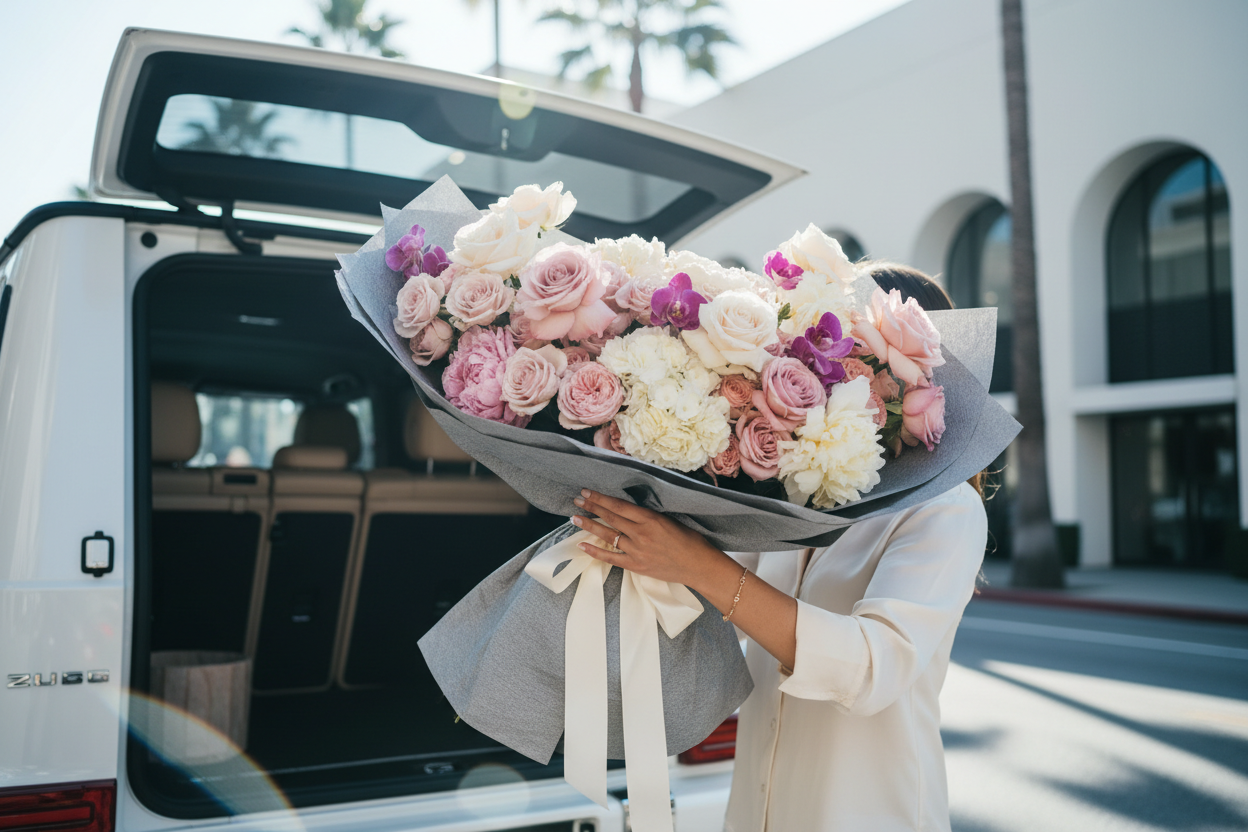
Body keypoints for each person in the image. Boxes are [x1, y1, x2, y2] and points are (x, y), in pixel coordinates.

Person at [569, 262, 989, 832]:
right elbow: (701, 593)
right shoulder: (806, 490)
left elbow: (870, 668)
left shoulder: (946, 510)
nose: (832, 364)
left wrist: (695, 561)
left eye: (856, 349)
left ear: (915, 375)